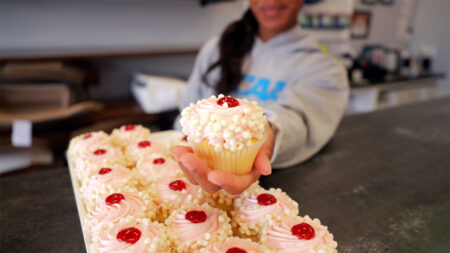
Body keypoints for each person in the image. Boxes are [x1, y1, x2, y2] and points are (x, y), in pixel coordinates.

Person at [172, 0, 349, 195]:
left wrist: (268, 132)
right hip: (187, 184)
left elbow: (299, 119)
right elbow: (186, 109)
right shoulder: (215, 49)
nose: (270, 1)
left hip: (274, 190)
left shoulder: (325, 68)